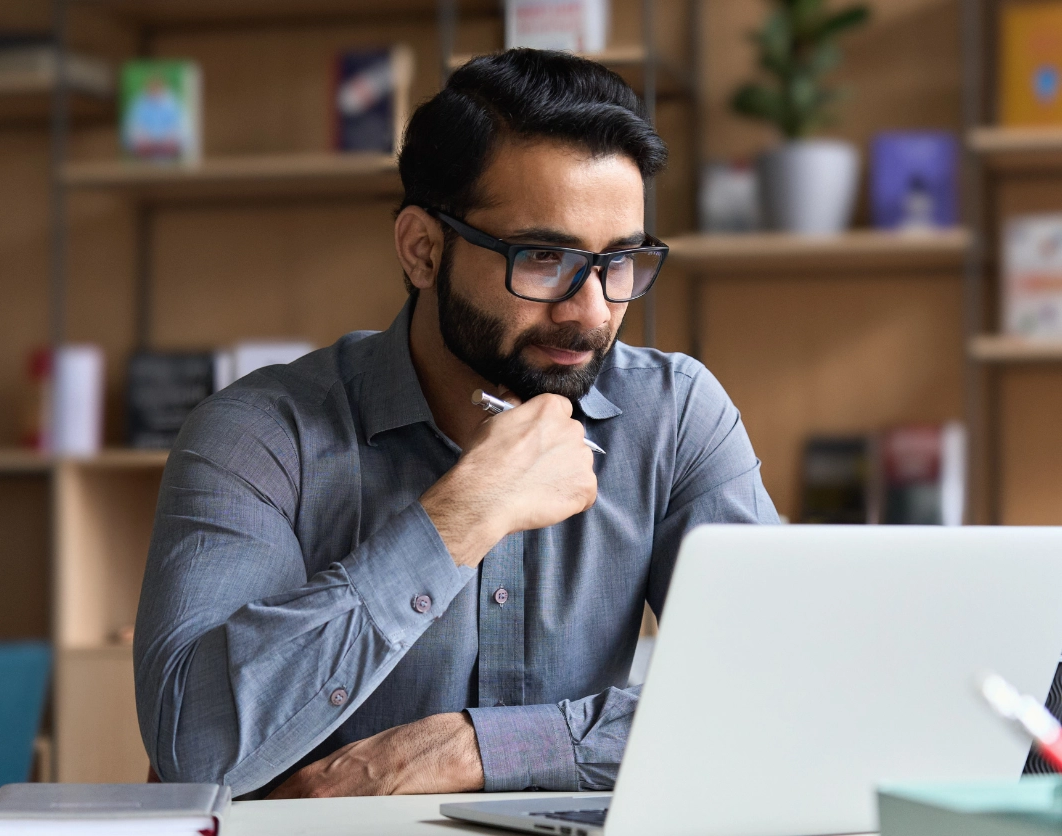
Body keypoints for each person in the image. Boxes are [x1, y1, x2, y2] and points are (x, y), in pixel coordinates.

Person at [133, 48, 780, 801]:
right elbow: (195, 751)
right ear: (422, 249)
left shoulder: (675, 416)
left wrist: (472, 749)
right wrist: (460, 516)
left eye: (621, 262)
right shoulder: (258, 435)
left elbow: (780, 693)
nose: (594, 311)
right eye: (544, 257)